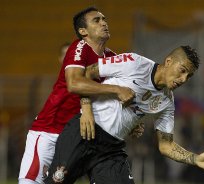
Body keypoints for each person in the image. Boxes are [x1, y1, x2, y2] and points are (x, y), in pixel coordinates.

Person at [44, 45, 204, 184]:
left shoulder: (166, 102)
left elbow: (166, 145)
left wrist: (195, 159)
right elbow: (88, 72)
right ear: (169, 61)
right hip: (83, 133)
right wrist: (86, 109)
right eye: (183, 70)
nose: (183, 79)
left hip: (111, 149)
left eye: (189, 76)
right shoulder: (133, 62)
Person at [18, 7, 143, 184]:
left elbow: (119, 96)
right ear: (83, 31)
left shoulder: (112, 58)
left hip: (82, 137)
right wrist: (115, 91)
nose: (104, 23)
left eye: (104, 19)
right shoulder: (79, 48)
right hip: (51, 130)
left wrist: (131, 119)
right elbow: (74, 83)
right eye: (96, 20)